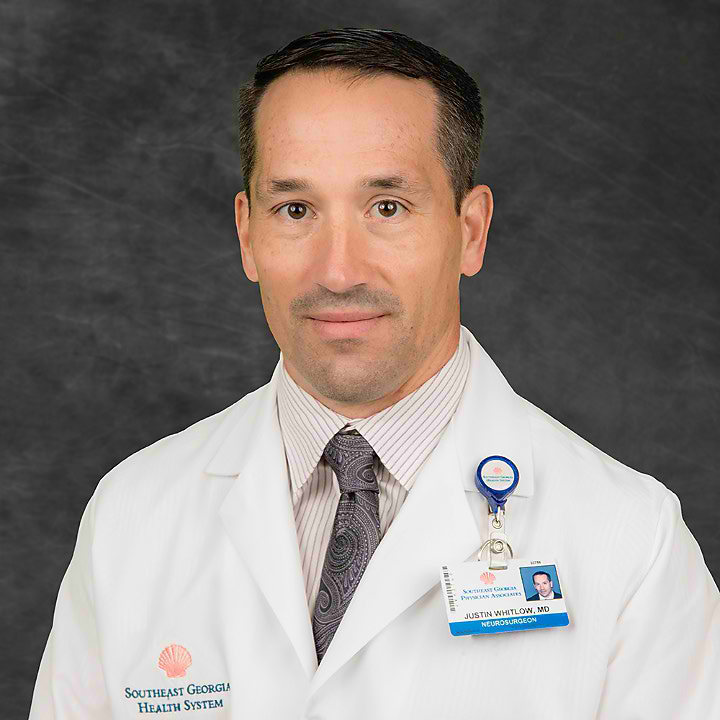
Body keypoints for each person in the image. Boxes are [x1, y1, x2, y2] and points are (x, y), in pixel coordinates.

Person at [30, 27, 718, 720]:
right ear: (248, 235)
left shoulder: (632, 543)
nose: (338, 272)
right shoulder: (132, 516)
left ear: (471, 231)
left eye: (387, 207)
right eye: (295, 209)